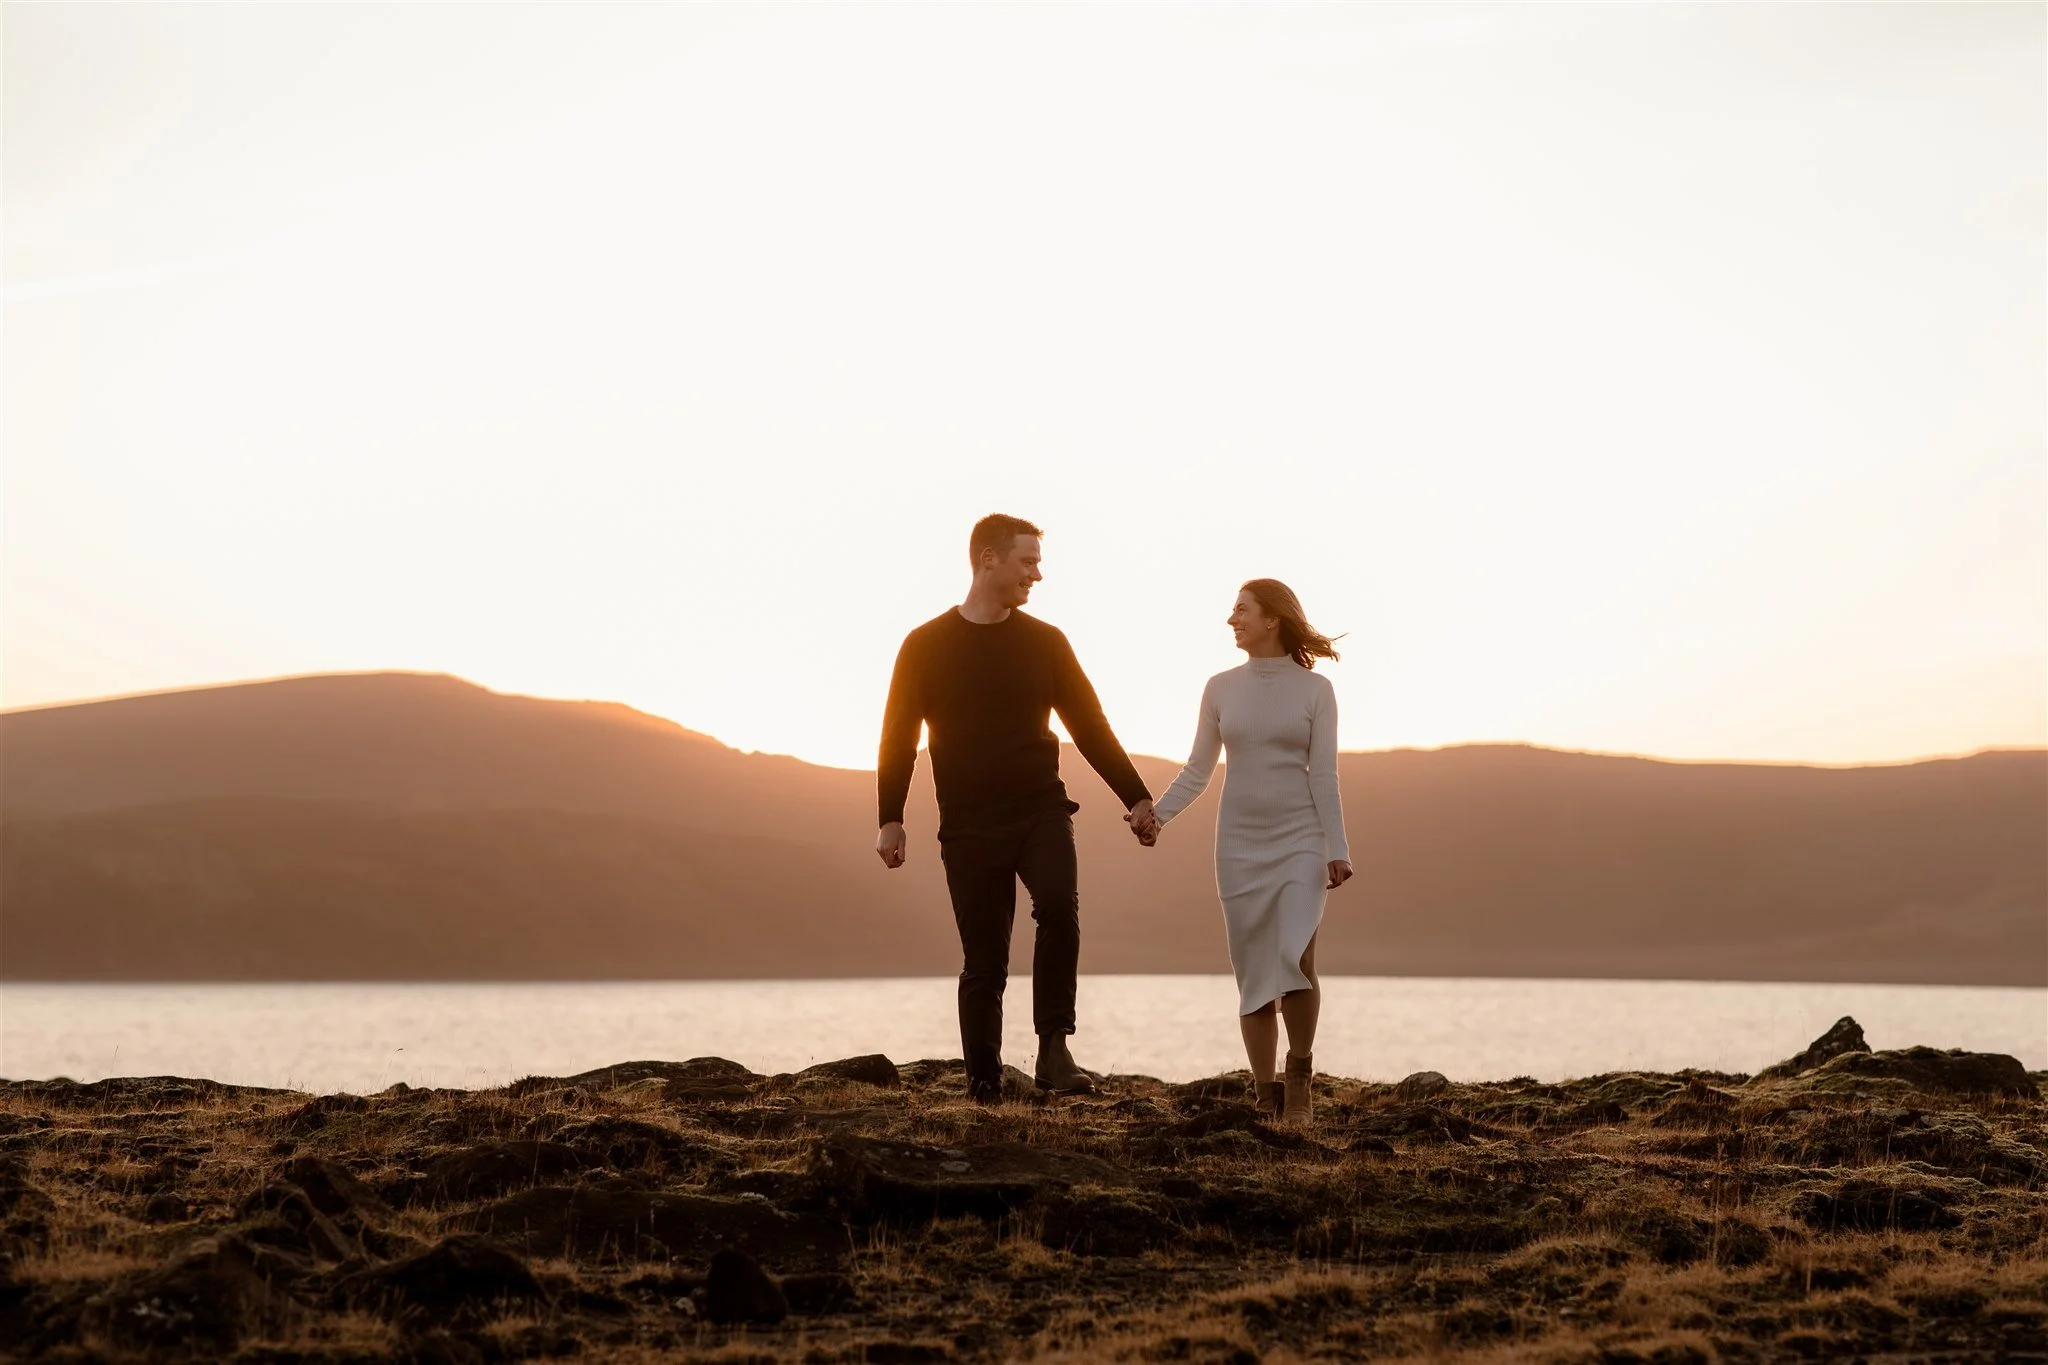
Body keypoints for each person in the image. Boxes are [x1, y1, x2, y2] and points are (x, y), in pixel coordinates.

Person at [876, 514, 1158, 1104]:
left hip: (1040, 809)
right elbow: (898, 736)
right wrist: (891, 816)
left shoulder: (1046, 643)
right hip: (968, 824)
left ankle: (1054, 1049)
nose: (1037, 574)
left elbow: (1089, 726)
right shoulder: (924, 645)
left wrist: (1135, 795)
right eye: (1027, 561)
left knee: (1057, 904)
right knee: (984, 958)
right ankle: (983, 1079)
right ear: (988, 559)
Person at [1142, 579, 1353, 1124]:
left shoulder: (1316, 690)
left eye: (1241, 609)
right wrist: (1157, 816)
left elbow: (1324, 775)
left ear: (1272, 619)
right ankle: (1264, 1094)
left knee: (1297, 956)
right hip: (1239, 843)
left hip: (1302, 837)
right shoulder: (1220, 688)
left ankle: (1299, 1080)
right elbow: (1198, 769)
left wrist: (1337, 847)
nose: (1232, 619)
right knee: (1254, 967)